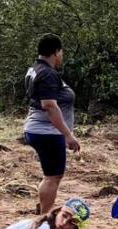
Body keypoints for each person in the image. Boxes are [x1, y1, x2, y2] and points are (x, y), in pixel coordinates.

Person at [24, 33, 80, 215]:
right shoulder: (47, 74)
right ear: (56, 52)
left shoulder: (36, 69)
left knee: (51, 175)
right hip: (47, 132)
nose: (62, 56)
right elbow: (49, 105)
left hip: (40, 129)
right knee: (52, 177)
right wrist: (68, 135)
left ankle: (43, 209)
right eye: (61, 53)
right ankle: (45, 219)